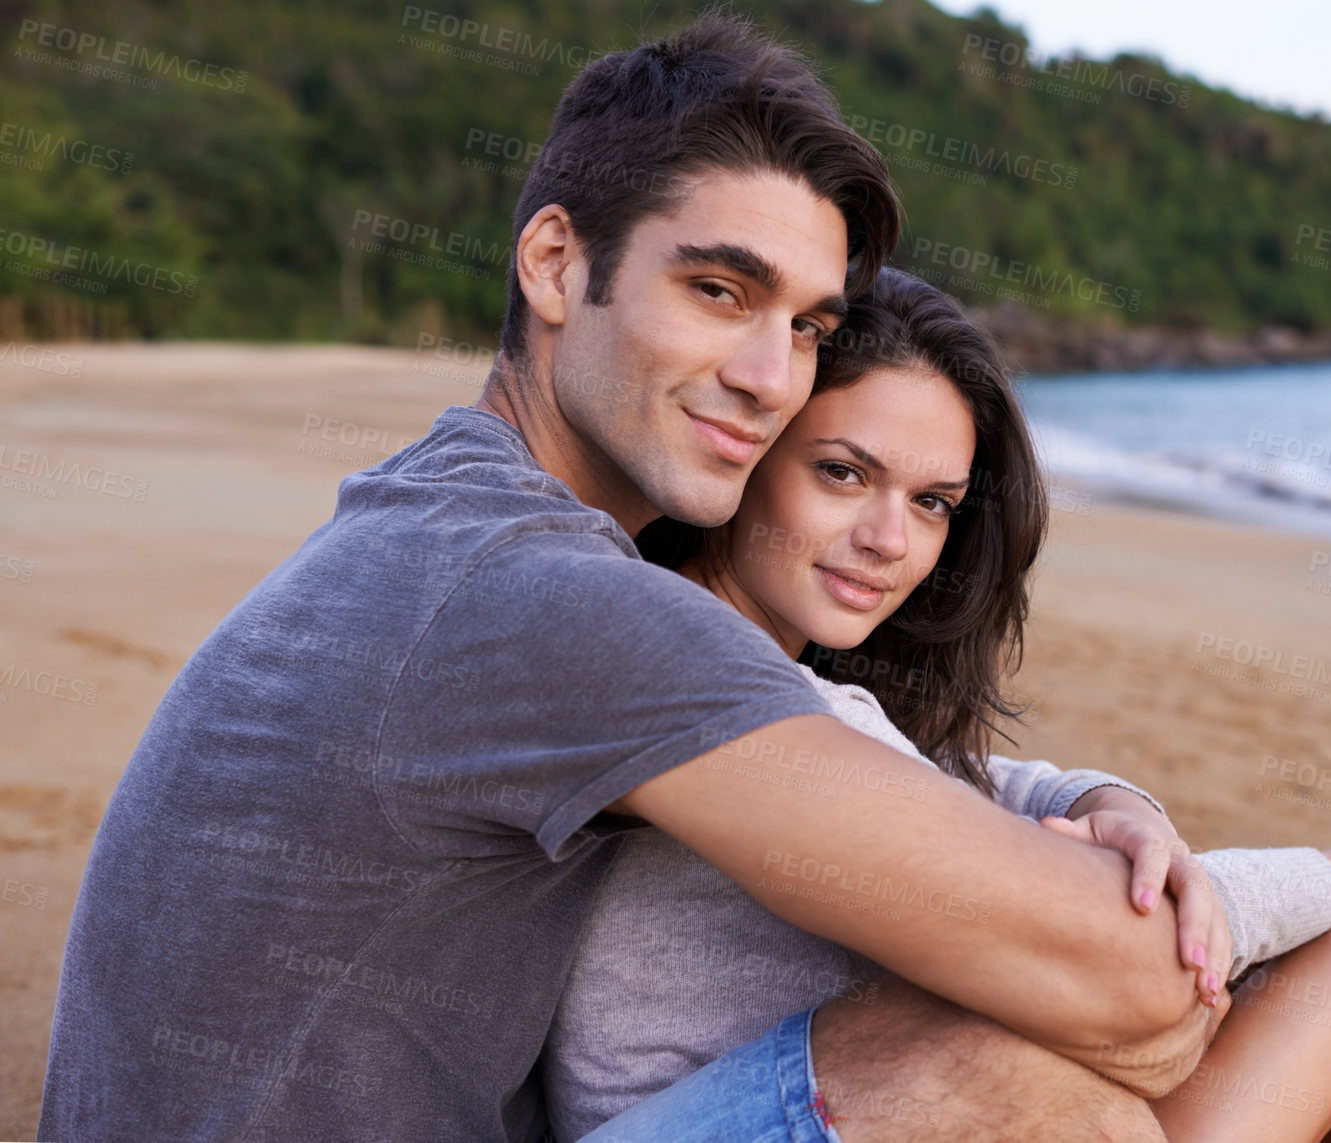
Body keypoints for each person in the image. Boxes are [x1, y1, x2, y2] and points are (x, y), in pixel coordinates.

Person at [39, 16, 1221, 1143]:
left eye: (808, 327)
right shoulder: (548, 597)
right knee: (1009, 1080)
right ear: (555, 264)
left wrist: (1109, 802)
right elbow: (1138, 995)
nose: (771, 379)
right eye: (718, 292)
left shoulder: (441, 519)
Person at [556, 268, 1331, 1142]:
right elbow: (1129, 948)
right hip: (757, 1115)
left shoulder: (782, 678)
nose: (887, 539)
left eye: (930, 502)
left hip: (840, 1103)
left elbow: (989, 785)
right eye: (841, 473)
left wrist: (1117, 807)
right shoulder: (719, 675)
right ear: (750, 449)